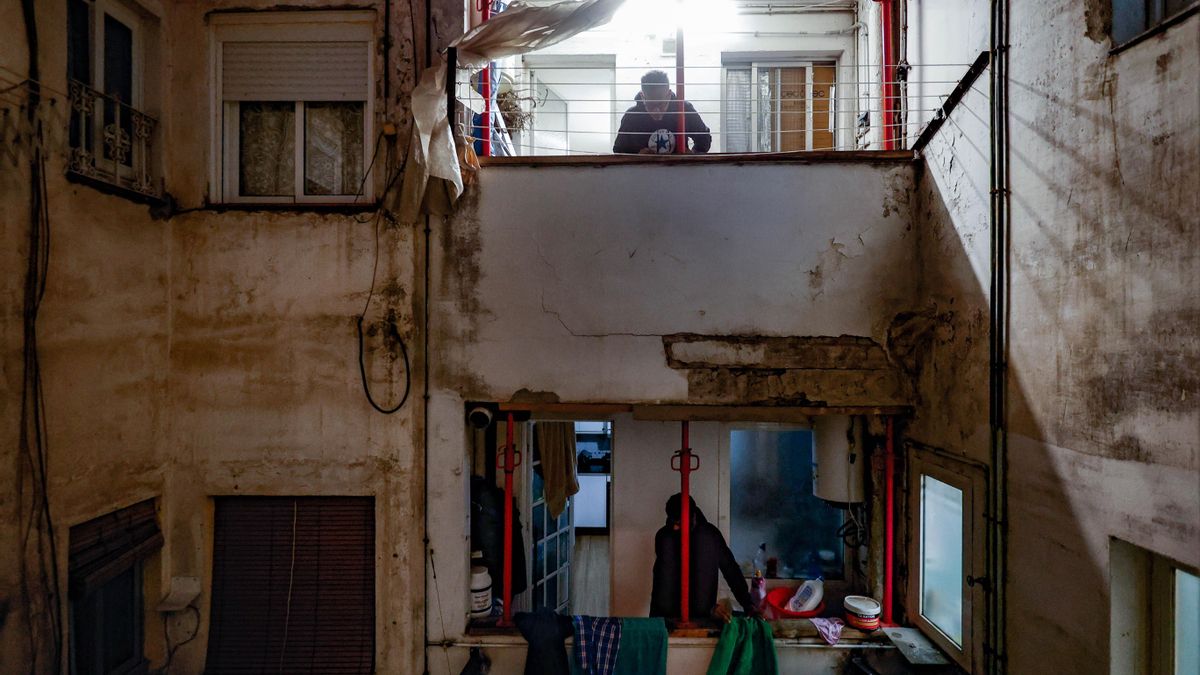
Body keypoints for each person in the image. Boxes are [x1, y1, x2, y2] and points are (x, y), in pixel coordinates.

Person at [650, 493, 755, 620]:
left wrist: (748, 604)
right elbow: (661, 578)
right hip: (667, 617)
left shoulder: (709, 537)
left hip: (699, 616)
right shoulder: (664, 536)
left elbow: (730, 570)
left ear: (692, 517)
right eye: (672, 521)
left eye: (678, 522)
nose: (675, 527)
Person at [613, 70, 712, 155]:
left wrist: (692, 157)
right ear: (642, 97)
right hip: (644, 171)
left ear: (669, 95)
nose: (656, 111)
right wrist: (637, 158)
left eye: (661, 104)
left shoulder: (684, 109)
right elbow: (618, 150)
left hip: (678, 170)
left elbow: (705, 140)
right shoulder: (631, 116)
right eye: (651, 105)